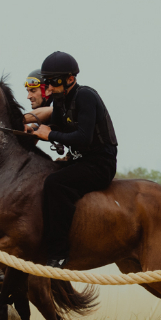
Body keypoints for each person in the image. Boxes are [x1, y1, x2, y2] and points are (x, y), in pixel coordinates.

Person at [28, 52, 118, 267]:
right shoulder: (60, 101)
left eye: (52, 81)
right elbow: (55, 129)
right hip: (79, 161)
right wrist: (31, 129)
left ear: (70, 79)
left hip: (99, 164)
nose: (48, 87)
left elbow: (83, 137)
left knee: (54, 183)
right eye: (47, 81)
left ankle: (58, 253)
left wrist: (48, 135)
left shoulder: (85, 95)